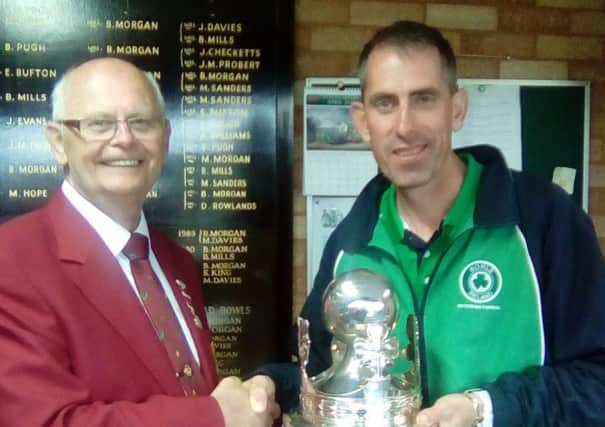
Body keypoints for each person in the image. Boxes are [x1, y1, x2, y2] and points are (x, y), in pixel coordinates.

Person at [260, 20, 605, 426]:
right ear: (362, 120)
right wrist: (269, 386)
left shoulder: (543, 221)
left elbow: (597, 382)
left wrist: (488, 410)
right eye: (385, 103)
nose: (405, 127)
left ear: (456, 109)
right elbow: (321, 375)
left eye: (423, 99)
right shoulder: (348, 245)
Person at [0, 57, 279, 427]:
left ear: (164, 138)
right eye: (99, 124)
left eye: (140, 122)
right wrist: (215, 416)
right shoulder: (13, 259)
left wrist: (251, 405)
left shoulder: (174, 260)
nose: (124, 139)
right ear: (57, 142)